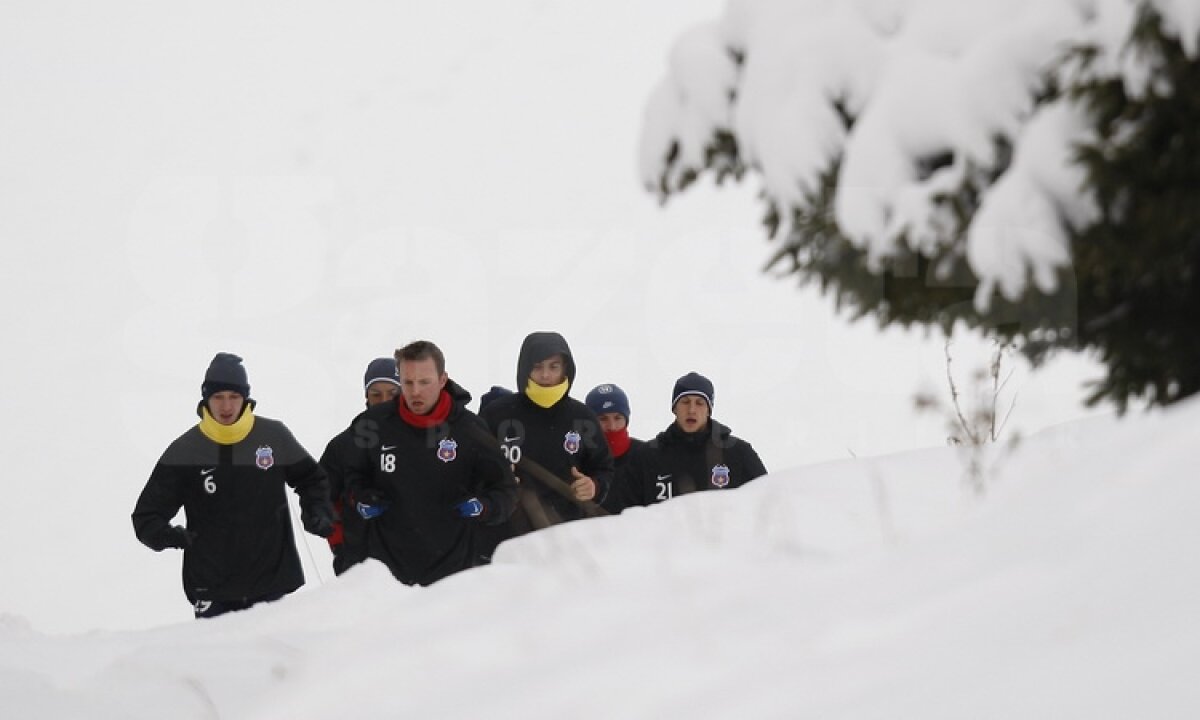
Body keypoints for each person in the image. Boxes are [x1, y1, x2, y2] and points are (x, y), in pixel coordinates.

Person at [132, 352, 335, 619]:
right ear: (206, 399)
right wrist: (171, 536)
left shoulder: (273, 436)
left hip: (271, 584)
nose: (226, 407)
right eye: (218, 397)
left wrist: (316, 510)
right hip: (213, 590)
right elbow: (146, 517)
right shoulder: (185, 450)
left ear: (246, 398)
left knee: (277, 661)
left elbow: (312, 478)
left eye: (234, 397)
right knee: (217, 661)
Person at [343, 340, 517, 585]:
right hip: (387, 576)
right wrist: (359, 497)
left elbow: (506, 491)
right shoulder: (372, 424)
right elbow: (349, 477)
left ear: (442, 379)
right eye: (408, 382)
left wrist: (484, 506)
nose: (415, 392)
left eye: (424, 382)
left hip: (453, 573)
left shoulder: (470, 429)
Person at [478, 331, 614, 544]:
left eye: (553, 367)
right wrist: (493, 481)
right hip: (506, 539)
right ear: (525, 369)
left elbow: (604, 468)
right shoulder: (496, 414)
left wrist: (594, 486)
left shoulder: (582, 417)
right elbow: (472, 466)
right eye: (537, 366)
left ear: (565, 369)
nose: (545, 375)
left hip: (566, 538)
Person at [612, 371, 766, 509]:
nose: (691, 410)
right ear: (675, 408)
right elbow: (627, 517)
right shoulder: (648, 456)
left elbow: (767, 501)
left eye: (699, 403)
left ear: (709, 410)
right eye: (685, 402)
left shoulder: (738, 453)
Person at [319, 357, 401, 576]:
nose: (384, 400)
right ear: (366, 396)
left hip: (417, 564)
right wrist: (340, 545)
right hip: (360, 569)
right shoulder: (342, 446)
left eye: (393, 393)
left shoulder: (425, 441)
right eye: (376, 394)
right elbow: (319, 502)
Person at [586, 383, 645, 512]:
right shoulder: (580, 461)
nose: (612, 426)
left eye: (618, 418)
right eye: (603, 419)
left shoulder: (646, 456)